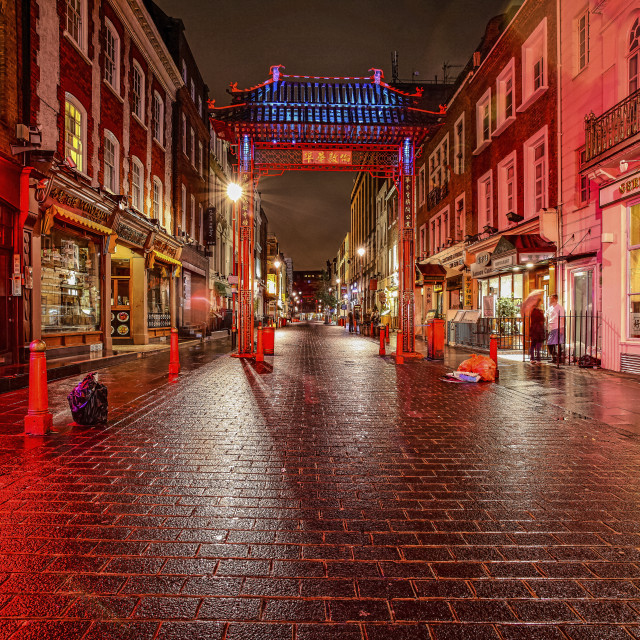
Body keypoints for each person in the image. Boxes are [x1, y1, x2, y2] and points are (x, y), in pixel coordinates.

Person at [546, 293, 565, 363]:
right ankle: (554, 357)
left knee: (555, 343)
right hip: (551, 328)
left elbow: (562, 318)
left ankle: (558, 358)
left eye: (551, 298)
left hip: (557, 327)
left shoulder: (560, 308)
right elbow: (546, 315)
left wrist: (561, 328)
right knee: (552, 344)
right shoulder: (550, 307)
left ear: (554, 299)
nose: (550, 300)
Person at [529, 298, 545, 363]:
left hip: (534, 329)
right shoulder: (538, 311)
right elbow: (542, 320)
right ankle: (538, 359)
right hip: (538, 329)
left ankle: (532, 358)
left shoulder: (533, 311)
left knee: (533, 344)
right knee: (538, 345)